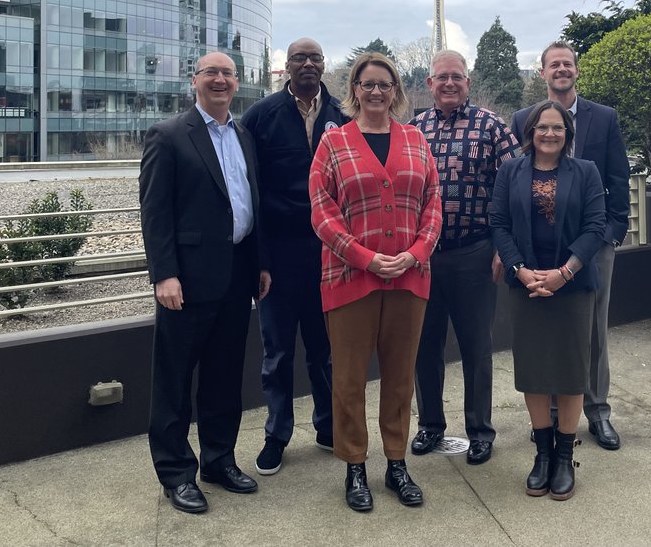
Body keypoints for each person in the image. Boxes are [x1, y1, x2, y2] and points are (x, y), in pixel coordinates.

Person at [139, 51, 271, 515]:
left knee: (223, 376)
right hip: (187, 281)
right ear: (194, 81)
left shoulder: (243, 135)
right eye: (211, 73)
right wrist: (165, 274)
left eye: (228, 74)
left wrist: (260, 264)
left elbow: (248, 205)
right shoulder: (169, 136)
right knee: (175, 380)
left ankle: (219, 460)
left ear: (237, 84)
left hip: (237, 276)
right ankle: (177, 473)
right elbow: (155, 213)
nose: (220, 80)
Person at [309, 52, 442, 512]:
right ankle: (354, 467)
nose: (376, 92)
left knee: (401, 378)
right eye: (368, 84)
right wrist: (366, 258)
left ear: (397, 91)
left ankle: (396, 463)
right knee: (347, 380)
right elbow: (322, 211)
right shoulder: (334, 143)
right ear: (355, 89)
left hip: (409, 278)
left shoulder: (416, 140)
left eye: (385, 84)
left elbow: (433, 205)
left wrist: (413, 254)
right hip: (349, 279)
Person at [511, 41, 630, 451]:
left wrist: (611, 233)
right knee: (546, 333)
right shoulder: (523, 119)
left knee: (592, 331)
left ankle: (597, 412)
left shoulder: (605, 117)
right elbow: (516, 182)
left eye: (567, 64)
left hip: (594, 244)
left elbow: (618, 178)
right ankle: (554, 418)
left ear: (576, 71)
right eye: (553, 64)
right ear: (542, 72)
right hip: (540, 250)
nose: (561, 70)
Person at [491, 100, 606, 500]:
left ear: (568, 134)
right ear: (531, 132)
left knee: (571, 372)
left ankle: (563, 457)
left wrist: (564, 273)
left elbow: (596, 227)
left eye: (558, 128)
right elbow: (499, 224)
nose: (550, 134)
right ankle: (541, 455)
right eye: (543, 128)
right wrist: (520, 270)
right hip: (525, 285)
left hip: (572, 287)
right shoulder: (510, 171)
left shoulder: (586, 172)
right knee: (535, 371)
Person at [241, 38, 345, 475]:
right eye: (299, 58)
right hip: (279, 257)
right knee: (278, 352)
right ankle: (277, 435)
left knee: (324, 348)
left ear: (323, 66)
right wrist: (259, 261)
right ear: (285, 67)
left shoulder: (341, 116)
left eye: (315, 58)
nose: (307, 64)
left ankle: (328, 426)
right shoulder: (261, 116)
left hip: (329, 253)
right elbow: (249, 191)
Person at [409, 49, 518, 465]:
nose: (450, 83)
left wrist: (500, 249)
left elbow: (513, 189)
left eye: (457, 76)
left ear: (467, 83)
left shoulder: (491, 126)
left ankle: (480, 431)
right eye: (442, 77)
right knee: (424, 346)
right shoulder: (413, 129)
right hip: (424, 257)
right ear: (430, 83)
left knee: (476, 347)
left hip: (475, 252)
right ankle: (430, 426)